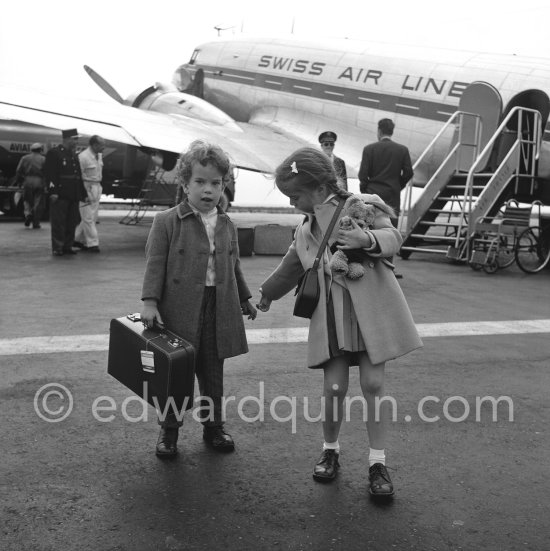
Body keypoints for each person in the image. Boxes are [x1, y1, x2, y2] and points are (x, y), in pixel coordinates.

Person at [257, 147, 422, 497]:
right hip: (331, 319)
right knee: (334, 389)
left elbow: (394, 238)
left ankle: (377, 461)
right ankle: (330, 450)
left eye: (295, 195)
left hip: (370, 317)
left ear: (317, 187)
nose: (292, 204)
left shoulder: (363, 205)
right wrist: (269, 292)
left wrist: (368, 239)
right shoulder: (305, 228)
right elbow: (292, 264)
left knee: (374, 385)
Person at [140, 141, 257, 458]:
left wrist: (245, 298)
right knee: (176, 374)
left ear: (224, 185)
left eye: (216, 183)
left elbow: (233, 265)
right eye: (200, 182)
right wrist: (150, 302)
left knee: (212, 371)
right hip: (179, 307)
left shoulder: (226, 224)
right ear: (184, 183)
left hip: (217, 306)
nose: (208, 190)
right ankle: (170, 430)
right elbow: (155, 264)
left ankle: (214, 426)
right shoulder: (167, 221)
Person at [358, 119, 413, 278]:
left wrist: (366, 191)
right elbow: (408, 173)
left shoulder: (369, 149)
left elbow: (363, 174)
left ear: (379, 131)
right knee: (390, 230)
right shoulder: (402, 150)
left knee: (369, 229)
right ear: (391, 131)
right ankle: (389, 267)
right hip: (392, 195)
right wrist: (397, 186)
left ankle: (369, 267)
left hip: (373, 194)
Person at [44, 129, 86, 256]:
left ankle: (67, 246)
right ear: (67, 139)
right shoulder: (55, 153)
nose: (76, 141)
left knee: (71, 222)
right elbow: (50, 174)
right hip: (60, 194)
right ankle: (58, 247)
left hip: (72, 194)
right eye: (75, 139)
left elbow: (78, 176)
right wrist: (53, 191)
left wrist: (82, 193)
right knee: (59, 222)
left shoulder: (73, 155)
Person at [74, 135, 105, 253]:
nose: (104, 147)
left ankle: (76, 239)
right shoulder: (83, 157)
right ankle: (93, 243)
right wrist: (82, 193)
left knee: (92, 216)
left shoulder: (99, 156)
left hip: (97, 187)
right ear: (95, 145)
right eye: (102, 145)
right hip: (86, 187)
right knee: (88, 217)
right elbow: (79, 177)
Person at [15, 143, 46, 228]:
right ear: (40, 150)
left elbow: (18, 170)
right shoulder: (43, 159)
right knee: (38, 202)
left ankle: (28, 214)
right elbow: (47, 172)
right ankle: (36, 222)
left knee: (27, 199)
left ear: (31, 150)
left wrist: (19, 181)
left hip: (27, 180)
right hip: (39, 181)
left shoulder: (24, 158)